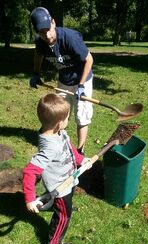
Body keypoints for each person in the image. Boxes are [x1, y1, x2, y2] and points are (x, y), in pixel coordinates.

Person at [22, 93, 91, 244]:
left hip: (68, 178)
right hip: (59, 187)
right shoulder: (49, 147)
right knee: (63, 217)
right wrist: (30, 199)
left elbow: (70, 149)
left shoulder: (59, 133)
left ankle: (65, 207)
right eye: (67, 117)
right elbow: (30, 172)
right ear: (59, 123)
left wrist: (81, 160)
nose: (68, 120)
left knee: (68, 200)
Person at [29, 6, 94, 155]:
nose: (47, 35)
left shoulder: (70, 38)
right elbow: (38, 55)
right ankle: (58, 145)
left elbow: (89, 60)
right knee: (58, 113)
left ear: (53, 22)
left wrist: (82, 85)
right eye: (42, 32)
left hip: (82, 79)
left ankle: (80, 150)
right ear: (37, 32)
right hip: (64, 80)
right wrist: (36, 73)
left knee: (82, 115)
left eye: (48, 29)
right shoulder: (41, 42)